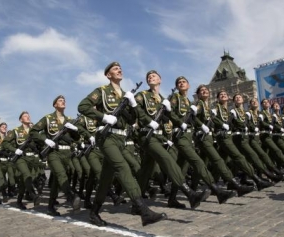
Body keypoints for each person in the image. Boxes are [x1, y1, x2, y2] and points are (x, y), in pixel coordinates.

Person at [78, 62, 167, 227]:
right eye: (114, 69)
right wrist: (103, 117)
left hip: (121, 139)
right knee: (123, 167)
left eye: (120, 68)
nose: (119, 70)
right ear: (108, 75)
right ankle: (143, 210)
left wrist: (133, 104)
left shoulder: (126, 95)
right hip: (106, 137)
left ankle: (94, 212)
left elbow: (133, 120)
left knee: (105, 178)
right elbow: (82, 106)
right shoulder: (102, 91)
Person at [135, 70, 211, 210]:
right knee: (167, 160)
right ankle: (190, 194)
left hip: (158, 137)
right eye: (149, 77)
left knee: (145, 171)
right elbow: (136, 110)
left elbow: (167, 119)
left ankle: (136, 204)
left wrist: (171, 125)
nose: (151, 77)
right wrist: (147, 121)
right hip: (147, 135)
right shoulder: (142, 95)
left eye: (154, 76)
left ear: (160, 80)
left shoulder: (163, 99)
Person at [169, 77, 236, 203]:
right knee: (198, 162)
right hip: (181, 136)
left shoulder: (188, 101)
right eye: (179, 82)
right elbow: (170, 113)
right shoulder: (175, 98)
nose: (181, 83)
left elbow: (193, 119)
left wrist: (199, 125)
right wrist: (180, 123)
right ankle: (217, 191)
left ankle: (172, 199)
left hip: (189, 136)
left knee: (181, 169)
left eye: (184, 82)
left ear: (188, 85)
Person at [193, 85, 255, 196]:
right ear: (197, 94)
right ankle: (239, 183)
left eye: (206, 90)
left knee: (202, 163)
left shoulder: (208, 106)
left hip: (210, 137)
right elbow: (193, 117)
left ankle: (192, 189)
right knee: (219, 160)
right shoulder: (200, 104)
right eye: (201, 91)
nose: (204, 91)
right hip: (204, 137)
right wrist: (202, 125)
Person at [30, 95, 81, 216]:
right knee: (61, 174)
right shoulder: (48, 118)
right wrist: (45, 140)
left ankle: (50, 206)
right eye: (60, 100)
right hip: (54, 153)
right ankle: (71, 197)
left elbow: (77, 138)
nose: (63, 102)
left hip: (67, 153)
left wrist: (74, 129)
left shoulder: (69, 120)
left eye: (64, 100)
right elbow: (33, 131)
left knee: (57, 181)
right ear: (55, 105)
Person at [212, 90, 273, 190]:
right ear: (218, 98)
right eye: (220, 95)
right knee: (240, 157)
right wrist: (222, 124)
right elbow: (215, 119)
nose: (223, 95)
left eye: (225, 94)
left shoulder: (227, 110)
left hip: (230, 136)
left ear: (228, 97)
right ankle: (258, 179)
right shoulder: (220, 110)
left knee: (221, 161)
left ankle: (217, 184)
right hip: (225, 137)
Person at [2, 111, 41, 210]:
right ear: (20, 120)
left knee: (25, 181)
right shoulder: (15, 131)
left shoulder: (34, 131)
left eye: (28, 115)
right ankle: (33, 195)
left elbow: (39, 144)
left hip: (31, 158)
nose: (28, 117)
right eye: (25, 116)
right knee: (27, 175)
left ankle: (19, 201)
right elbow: (5, 143)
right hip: (21, 158)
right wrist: (15, 150)